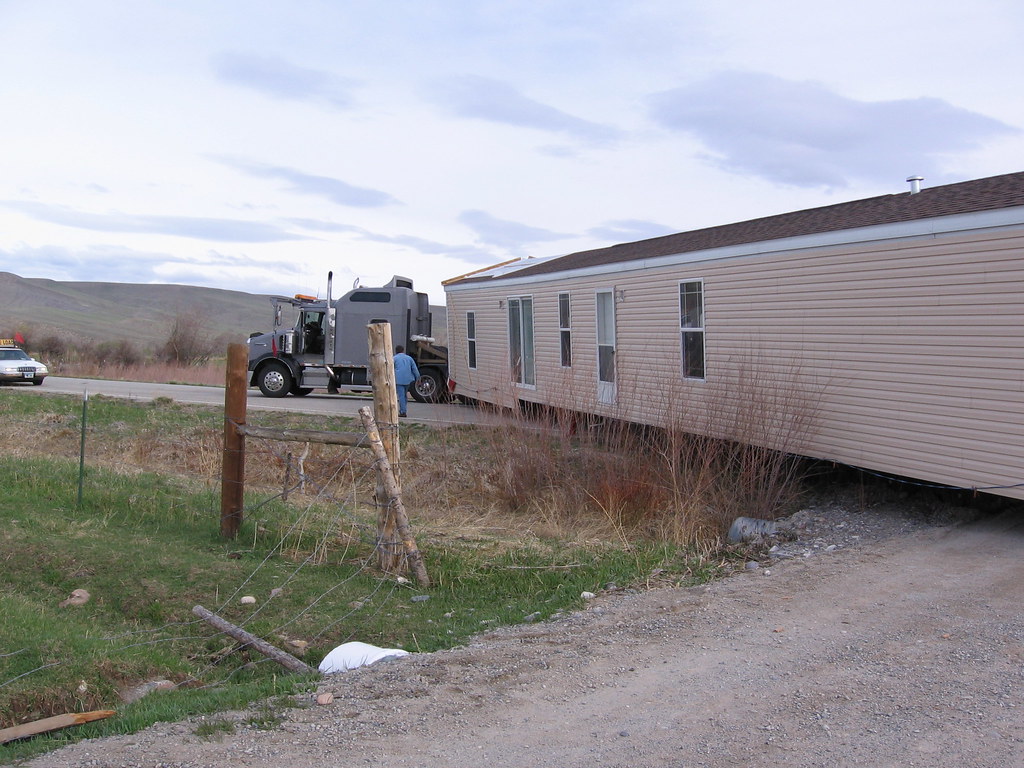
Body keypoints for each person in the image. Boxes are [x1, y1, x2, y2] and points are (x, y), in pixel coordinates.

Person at [393, 345, 420, 417]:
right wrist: (418, 378)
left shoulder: (394, 358)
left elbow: (390, 368)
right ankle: (403, 408)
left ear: (396, 351)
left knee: (401, 396)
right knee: (404, 395)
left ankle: (403, 411)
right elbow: (414, 369)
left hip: (398, 380)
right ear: (403, 350)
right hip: (408, 379)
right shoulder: (409, 358)